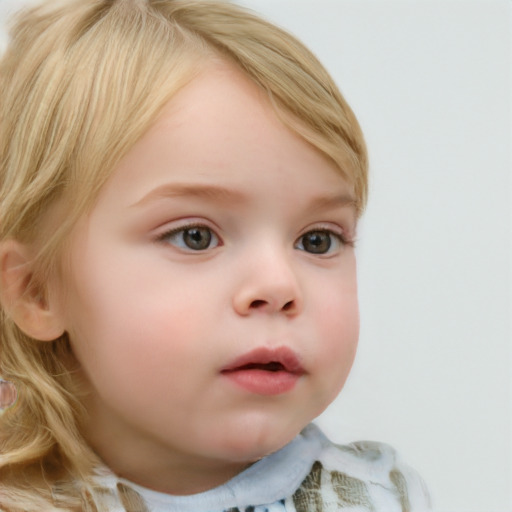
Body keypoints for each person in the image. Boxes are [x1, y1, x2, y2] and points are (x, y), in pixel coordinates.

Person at [0, 0, 431, 510]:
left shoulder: (378, 499)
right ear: (38, 289)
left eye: (317, 239)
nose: (278, 285)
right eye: (195, 237)